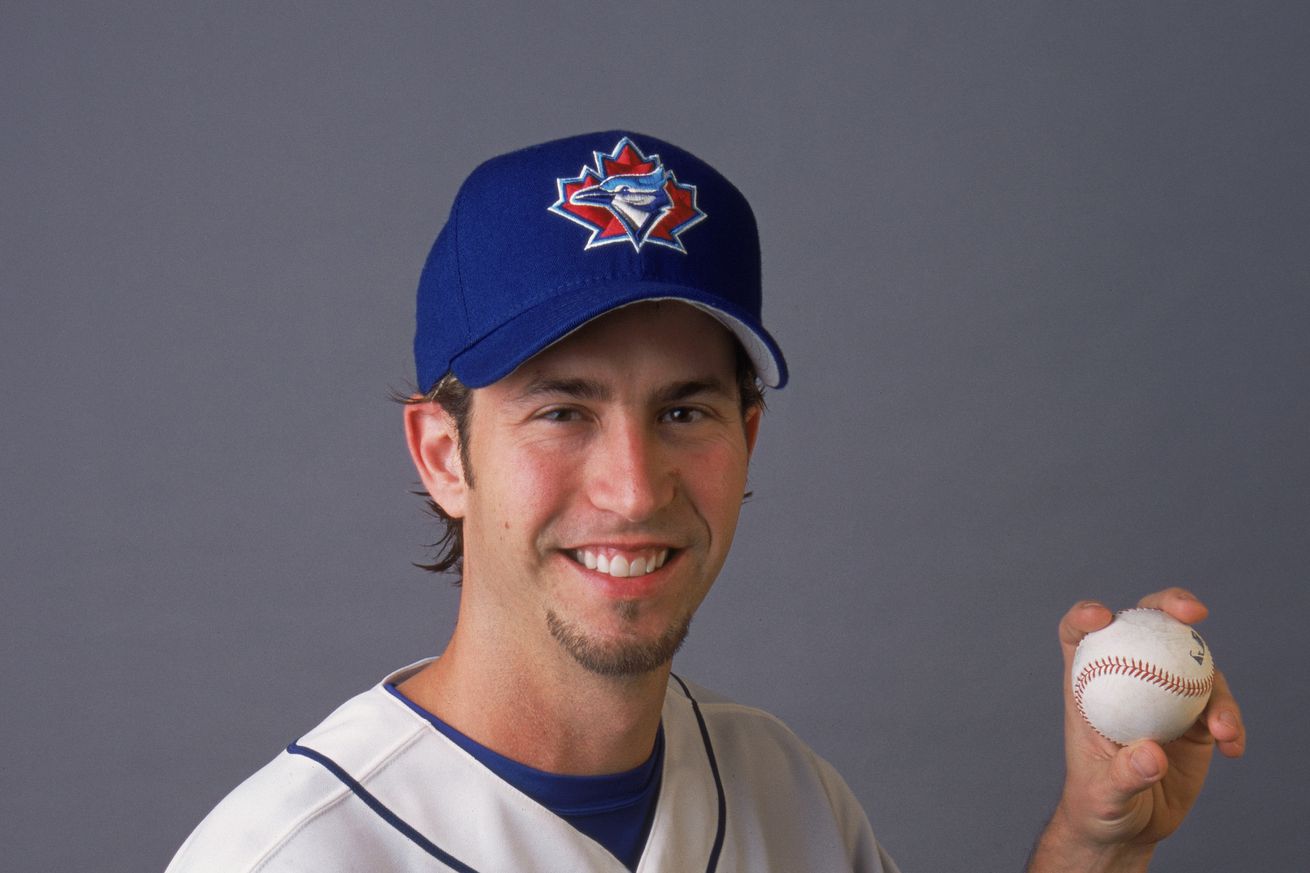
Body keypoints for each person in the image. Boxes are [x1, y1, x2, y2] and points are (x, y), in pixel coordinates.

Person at [165, 131, 1245, 872]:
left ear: (747, 438)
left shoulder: (789, 795)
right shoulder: (289, 854)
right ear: (442, 454)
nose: (633, 488)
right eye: (561, 411)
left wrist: (1092, 848)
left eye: (684, 412)